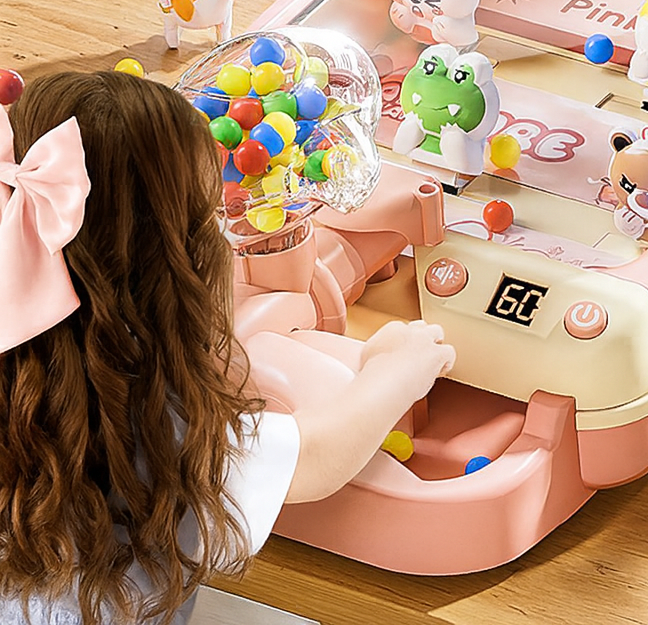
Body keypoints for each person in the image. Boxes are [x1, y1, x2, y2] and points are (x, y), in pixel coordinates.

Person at [0, 71, 455, 625]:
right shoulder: (160, 421)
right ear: (169, 268)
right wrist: (399, 366)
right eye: (209, 218)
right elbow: (318, 457)